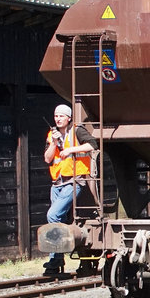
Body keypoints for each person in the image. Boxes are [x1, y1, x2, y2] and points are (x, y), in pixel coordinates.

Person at [43, 103, 96, 273]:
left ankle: (56, 258)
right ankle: (57, 260)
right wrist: (54, 143)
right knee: (57, 220)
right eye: (56, 116)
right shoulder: (52, 134)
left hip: (74, 180)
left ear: (69, 118)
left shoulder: (77, 130)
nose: (58, 119)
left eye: (61, 116)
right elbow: (47, 159)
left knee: (53, 215)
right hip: (57, 183)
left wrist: (70, 150)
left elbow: (93, 145)